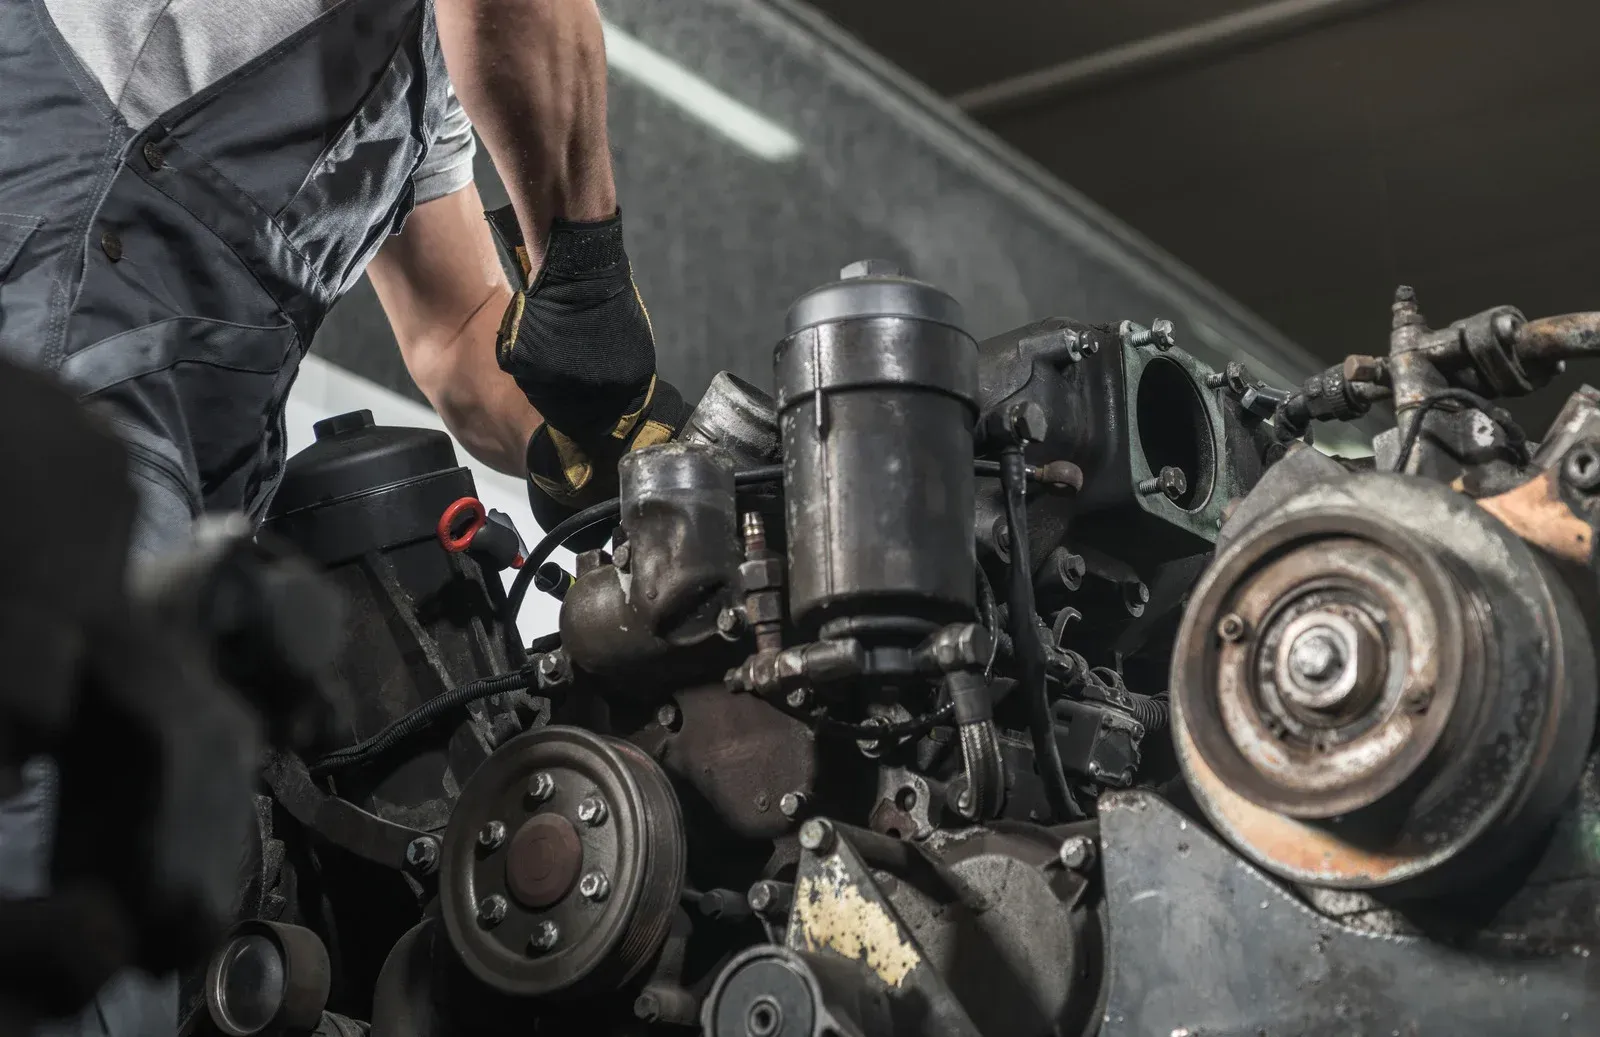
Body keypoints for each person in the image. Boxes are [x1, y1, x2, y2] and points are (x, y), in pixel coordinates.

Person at [0, 0, 684, 1032]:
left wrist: (610, 437)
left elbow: (456, 329)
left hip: (175, 479)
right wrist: (582, 265)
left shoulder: (415, 89)